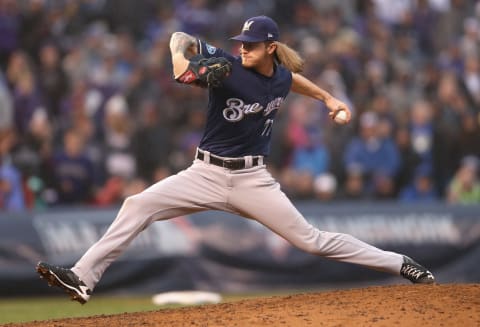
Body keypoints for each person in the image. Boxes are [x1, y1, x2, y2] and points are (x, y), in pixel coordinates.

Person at [36, 15, 434, 304]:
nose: (243, 47)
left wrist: (328, 99)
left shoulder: (279, 74)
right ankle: (82, 279)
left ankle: (402, 264)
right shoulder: (228, 66)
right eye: (241, 41)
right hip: (204, 172)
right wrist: (179, 45)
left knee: (312, 240)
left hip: (253, 181)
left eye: (252, 44)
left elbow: (292, 80)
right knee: (137, 204)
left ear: (271, 48)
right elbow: (183, 66)